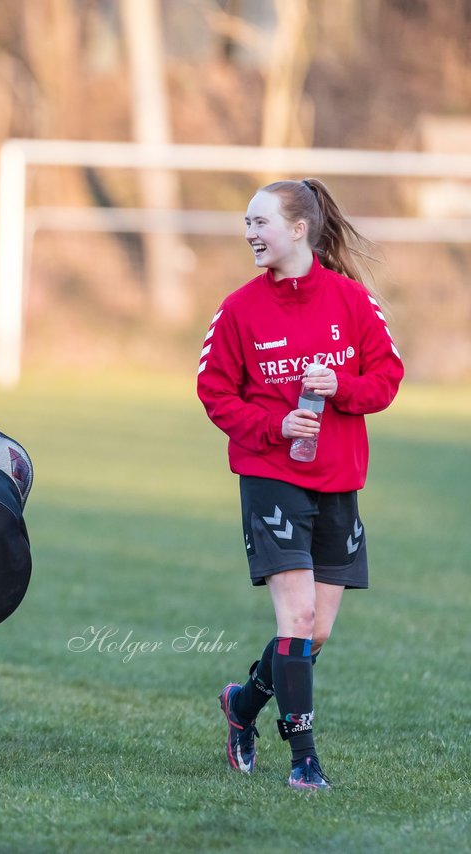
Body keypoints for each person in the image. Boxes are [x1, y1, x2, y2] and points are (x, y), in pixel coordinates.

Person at [197, 178, 403, 790]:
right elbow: (214, 393)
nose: (250, 233)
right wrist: (275, 424)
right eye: (247, 223)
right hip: (270, 475)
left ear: (298, 228)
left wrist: (340, 387)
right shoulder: (237, 309)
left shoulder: (353, 302)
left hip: (338, 478)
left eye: (260, 222)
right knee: (298, 617)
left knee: (317, 632)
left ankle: (242, 705)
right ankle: (304, 762)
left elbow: (387, 379)